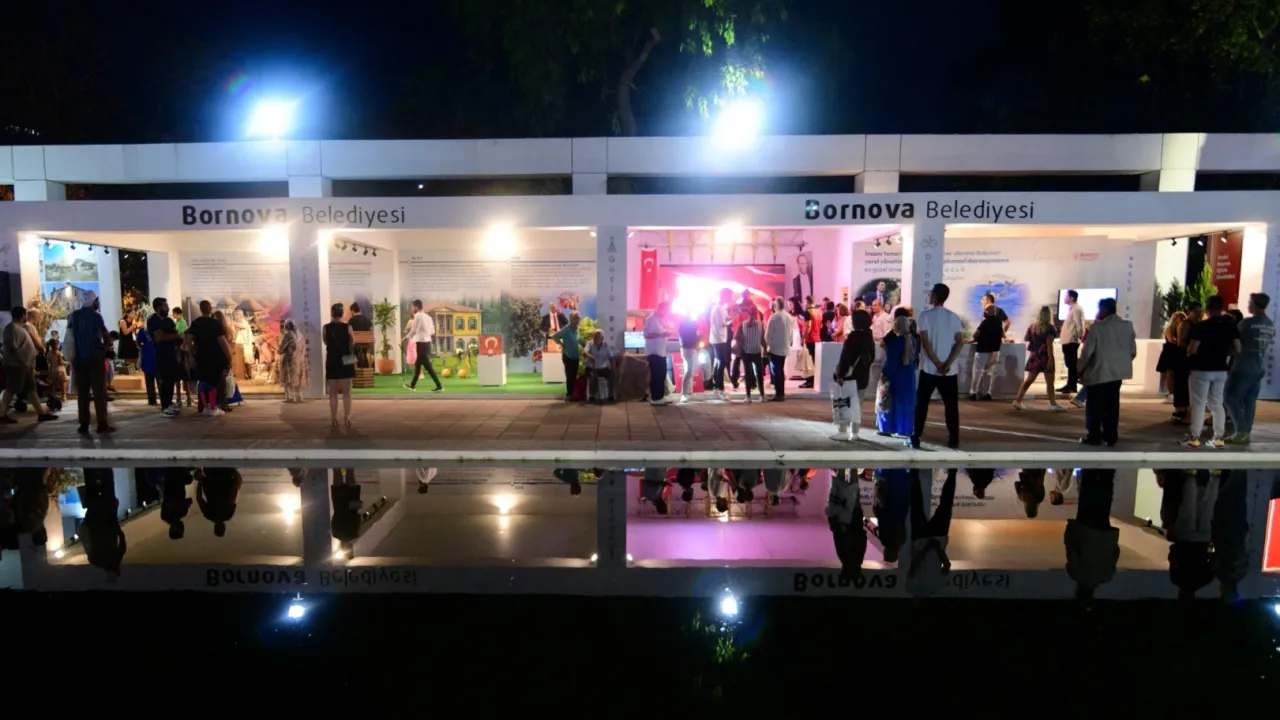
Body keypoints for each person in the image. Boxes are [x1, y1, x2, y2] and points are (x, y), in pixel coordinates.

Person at [1182, 294, 1240, 448]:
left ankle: (1195, 437)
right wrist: (1225, 353)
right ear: (1221, 308)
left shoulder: (1202, 326)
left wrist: (1189, 353)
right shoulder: (1230, 326)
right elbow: (1238, 348)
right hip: (1220, 369)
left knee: (1198, 403)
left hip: (1200, 369)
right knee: (1217, 403)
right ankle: (1218, 437)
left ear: (1207, 308)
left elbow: (1192, 348)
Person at [1078, 297, 1136, 447]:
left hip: (1098, 373)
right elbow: (1132, 352)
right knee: (1112, 406)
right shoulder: (1127, 326)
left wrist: (1079, 369)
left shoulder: (1097, 328)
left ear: (1103, 309)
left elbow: (1087, 353)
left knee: (1095, 407)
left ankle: (1094, 436)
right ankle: (1111, 437)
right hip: (1117, 374)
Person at [912, 283, 964, 449]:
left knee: (922, 403)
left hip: (929, 368)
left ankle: (916, 435)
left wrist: (936, 363)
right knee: (951, 405)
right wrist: (947, 364)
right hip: (949, 371)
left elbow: (925, 342)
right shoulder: (953, 317)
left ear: (934, 296)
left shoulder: (925, 316)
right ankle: (954, 438)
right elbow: (960, 342)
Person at [1223, 293, 1273, 444]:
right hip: (1258, 367)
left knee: (1230, 398)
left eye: (1250, 302)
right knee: (1249, 401)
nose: (1248, 305)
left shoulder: (1246, 323)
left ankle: (1241, 431)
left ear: (1255, 304)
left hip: (1242, 366)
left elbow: (1235, 344)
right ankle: (1246, 433)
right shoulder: (1269, 324)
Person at [1064, 468, 1119, 602]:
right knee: (1088, 491)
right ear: (1078, 591)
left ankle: (1108, 469)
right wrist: (1070, 530)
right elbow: (1072, 551)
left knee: (1104, 496)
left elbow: (1115, 553)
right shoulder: (1076, 573)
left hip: (1103, 531)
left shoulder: (1106, 576)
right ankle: (1090, 467)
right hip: (1085, 529)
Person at [0, 307, 59, 424]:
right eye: (25, 315)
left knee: (31, 389)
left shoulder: (19, 328)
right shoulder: (13, 328)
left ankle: (41, 414)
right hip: (17, 366)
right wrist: (22, 363)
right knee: (11, 389)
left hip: (25, 366)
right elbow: (13, 348)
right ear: (23, 315)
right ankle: (2, 414)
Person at [66, 293, 114, 434]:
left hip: (79, 359)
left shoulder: (74, 316)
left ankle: (84, 424)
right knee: (99, 392)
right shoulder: (96, 316)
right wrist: (106, 347)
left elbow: (70, 336)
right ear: (94, 301)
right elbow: (105, 335)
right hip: (95, 358)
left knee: (83, 393)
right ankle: (102, 424)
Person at [905, 468, 957, 599]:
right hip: (921, 541)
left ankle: (952, 473)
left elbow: (947, 565)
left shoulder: (937, 587)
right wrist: (928, 548)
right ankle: (914, 473)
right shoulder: (911, 588)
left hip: (936, 541)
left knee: (945, 505)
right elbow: (914, 565)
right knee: (917, 506)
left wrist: (936, 548)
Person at [832, 309, 875, 440]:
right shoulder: (869, 337)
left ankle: (842, 431)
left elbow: (845, 358)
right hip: (863, 376)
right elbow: (871, 358)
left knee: (844, 403)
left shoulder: (853, 337)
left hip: (849, 376)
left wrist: (840, 374)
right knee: (858, 405)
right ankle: (854, 432)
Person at [1012, 305, 1065, 412]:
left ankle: (1018, 400)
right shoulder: (1050, 328)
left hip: (1034, 356)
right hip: (1045, 356)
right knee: (1050, 382)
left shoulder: (1033, 326)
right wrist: (1051, 359)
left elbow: (1026, 338)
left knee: (1028, 380)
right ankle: (1052, 404)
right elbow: (1049, 345)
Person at [186, 300, 232, 418]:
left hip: (200, 356)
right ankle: (212, 407)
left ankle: (204, 406)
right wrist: (229, 357)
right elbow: (223, 342)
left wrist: (191, 356)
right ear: (210, 308)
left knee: (202, 381)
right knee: (212, 382)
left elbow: (189, 341)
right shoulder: (214, 324)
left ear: (200, 309)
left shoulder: (196, 323)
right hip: (214, 357)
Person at [877, 314, 918, 437]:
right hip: (908, 376)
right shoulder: (912, 340)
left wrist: (885, 374)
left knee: (888, 401)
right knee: (905, 403)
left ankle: (887, 428)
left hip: (895, 376)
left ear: (897, 326)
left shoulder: (895, 342)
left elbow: (891, 361)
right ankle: (905, 429)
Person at [322, 303, 356, 429]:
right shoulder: (348, 327)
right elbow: (353, 341)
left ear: (332, 314)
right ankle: (347, 418)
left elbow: (326, 342)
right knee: (347, 391)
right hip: (346, 360)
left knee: (333, 392)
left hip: (332, 360)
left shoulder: (325, 328)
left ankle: (334, 419)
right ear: (342, 314)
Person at [147, 298, 183, 418]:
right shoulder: (153, 320)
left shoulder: (169, 320)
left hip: (172, 354)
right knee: (164, 380)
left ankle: (169, 402)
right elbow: (158, 338)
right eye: (165, 306)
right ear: (158, 307)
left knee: (171, 380)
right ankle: (164, 406)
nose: (167, 308)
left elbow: (176, 335)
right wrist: (173, 335)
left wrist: (176, 338)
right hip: (160, 355)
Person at [402, 299, 443, 393]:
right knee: (418, 365)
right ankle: (412, 385)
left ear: (416, 307)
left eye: (412, 307)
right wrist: (425, 333)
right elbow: (432, 332)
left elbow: (414, 330)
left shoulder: (417, 316)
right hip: (427, 343)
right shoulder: (428, 317)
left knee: (428, 367)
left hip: (421, 344)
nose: (412, 309)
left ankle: (439, 386)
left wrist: (405, 338)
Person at [1172, 302, 1202, 424]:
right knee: (1181, 382)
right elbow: (1181, 342)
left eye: (1200, 311)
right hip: (1183, 356)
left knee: (1189, 384)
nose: (1199, 314)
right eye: (1196, 312)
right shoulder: (1185, 324)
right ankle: (1180, 408)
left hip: (1193, 357)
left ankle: (1186, 408)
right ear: (1189, 312)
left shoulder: (1198, 324)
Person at [968, 303, 1003, 401]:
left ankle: (973, 393)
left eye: (986, 310)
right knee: (989, 373)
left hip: (983, 350)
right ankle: (987, 393)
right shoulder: (999, 322)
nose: (984, 311)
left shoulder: (985, 322)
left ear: (991, 311)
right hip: (995, 351)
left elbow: (976, 334)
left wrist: (973, 339)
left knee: (977, 372)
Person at [550, 311, 583, 402]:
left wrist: (587, 346)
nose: (577, 320)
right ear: (571, 319)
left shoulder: (577, 330)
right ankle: (569, 395)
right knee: (570, 376)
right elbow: (555, 336)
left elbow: (579, 340)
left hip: (575, 355)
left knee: (574, 376)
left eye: (578, 318)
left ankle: (572, 394)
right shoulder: (566, 329)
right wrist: (561, 344)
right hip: (567, 356)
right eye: (575, 318)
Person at [735, 305, 765, 403]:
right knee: (759, 374)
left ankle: (748, 396)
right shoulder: (760, 325)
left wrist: (742, 339)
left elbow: (736, 337)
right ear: (756, 314)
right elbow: (762, 339)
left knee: (748, 374)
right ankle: (762, 395)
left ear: (747, 313)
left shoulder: (742, 324)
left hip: (746, 352)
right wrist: (765, 349)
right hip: (757, 351)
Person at [764, 297, 792, 402]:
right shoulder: (789, 316)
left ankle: (779, 394)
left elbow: (768, 333)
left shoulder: (774, 317)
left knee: (776, 372)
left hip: (775, 348)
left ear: (775, 305)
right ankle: (781, 393)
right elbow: (791, 333)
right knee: (780, 370)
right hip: (784, 347)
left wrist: (767, 344)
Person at [644, 302, 672, 405]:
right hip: (654, 352)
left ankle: (661, 396)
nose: (666, 312)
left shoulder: (662, 319)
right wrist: (661, 334)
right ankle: (655, 398)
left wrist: (667, 332)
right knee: (656, 375)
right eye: (665, 310)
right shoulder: (651, 319)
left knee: (662, 374)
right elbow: (646, 334)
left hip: (662, 351)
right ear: (660, 309)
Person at [1058, 289, 1085, 394]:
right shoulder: (1072, 309)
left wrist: (1079, 336)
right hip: (1068, 340)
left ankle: (1072, 385)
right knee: (1069, 363)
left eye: (1066, 296)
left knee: (1071, 363)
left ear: (1071, 298)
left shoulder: (1076, 309)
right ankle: (1070, 384)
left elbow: (1079, 325)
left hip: (1071, 340)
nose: (1064, 298)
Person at [1156, 311, 1187, 401]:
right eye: (1180, 317)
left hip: (1178, 352)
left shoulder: (1183, 328)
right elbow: (1171, 340)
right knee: (1170, 373)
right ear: (1175, 319)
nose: (1182, 319)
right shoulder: (1169, 329)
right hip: (1170, 353)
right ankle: (1171, 393)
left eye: (1183, 318)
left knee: (1176, 374)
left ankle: (1175, 392)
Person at [708, 288, 733, 401]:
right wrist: (728, 322)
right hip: (718, 338)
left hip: (720, 338)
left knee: (719, 362)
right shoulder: (718, 308)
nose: (730, 298)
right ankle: (719, 389)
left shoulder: (721, 307)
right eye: (729, 296)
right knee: (721, 363)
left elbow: (726, 320)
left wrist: (734, 315)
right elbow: (722, 324)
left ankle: (717, 388)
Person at [277, 319, 309, 403]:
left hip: (290, 360)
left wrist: (279, 350)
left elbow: (281, 348)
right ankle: (299, 396)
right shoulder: (300, 335)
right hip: (300, 360)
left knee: (289, 378)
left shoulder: (287, 335)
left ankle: (291, 397)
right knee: (298, 378)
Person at [583, 330, 616, 403]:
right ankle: (592, 396)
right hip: (591, 368)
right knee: (593, 376)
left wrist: (613, 369)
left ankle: (611, 396)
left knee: (612, 375)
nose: (595, 339)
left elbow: (612, 358)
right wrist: (590, 356)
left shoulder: (606, 346)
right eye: (594, 337)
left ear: (602, 338)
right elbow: (584, 353)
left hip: (603, 368)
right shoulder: (589, 343)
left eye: (597, 337)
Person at [676, 312, 700, 403]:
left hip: (692, 348)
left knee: (691, 370)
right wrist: (682, 346)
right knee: (689, 370)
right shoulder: (683, 323)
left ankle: (688, 392)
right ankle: (684, 393)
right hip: (687, 348)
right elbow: (681, 336)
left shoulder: (693, 323)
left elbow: (695, 335)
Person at [348, 302, 374, 368]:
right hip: (366, 344)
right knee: (364, 353)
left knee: (350, 351)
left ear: (352, 310)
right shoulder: (367, 319)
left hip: (355, 344)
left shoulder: (351, 320)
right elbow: (371, 331)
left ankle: (352, 369)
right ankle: (365, 368)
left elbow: (349, 333)